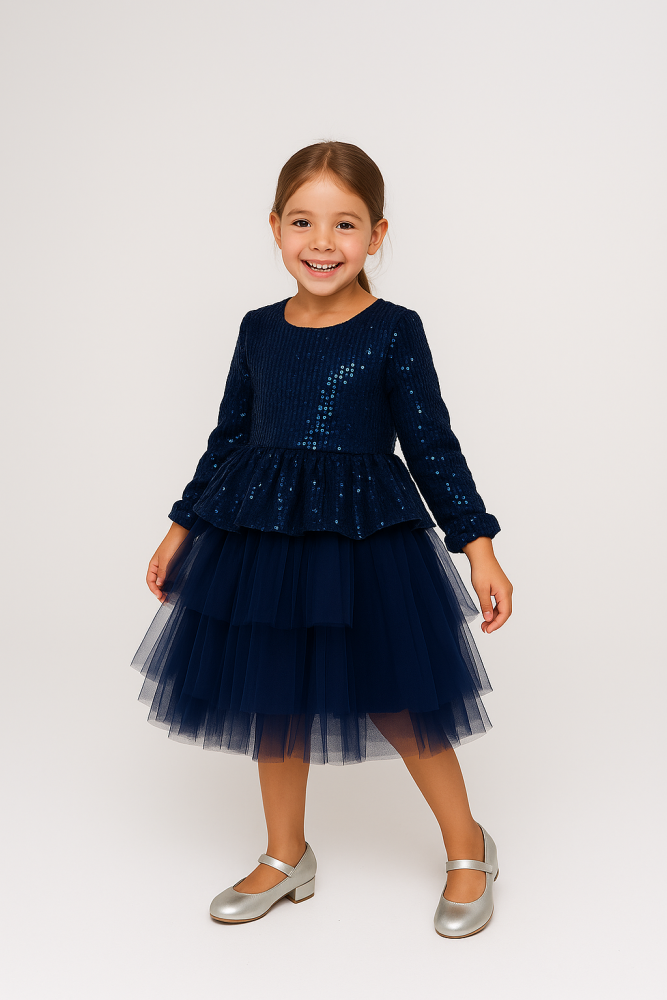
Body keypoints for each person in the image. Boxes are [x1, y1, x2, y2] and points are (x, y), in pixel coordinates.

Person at [131, 141, 513, 938]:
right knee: (271, 695)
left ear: (376, 235)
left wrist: (477, 546)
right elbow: (228, 438)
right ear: (274, 227)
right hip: (265, 541)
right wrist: (178, 529)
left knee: (402, 698)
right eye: (302, 222)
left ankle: (467, 844)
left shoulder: (393, 331)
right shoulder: (257, 330)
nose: (322, 242)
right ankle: (285, 855)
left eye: (345, 224)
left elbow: (431, 446)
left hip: (364, 543)